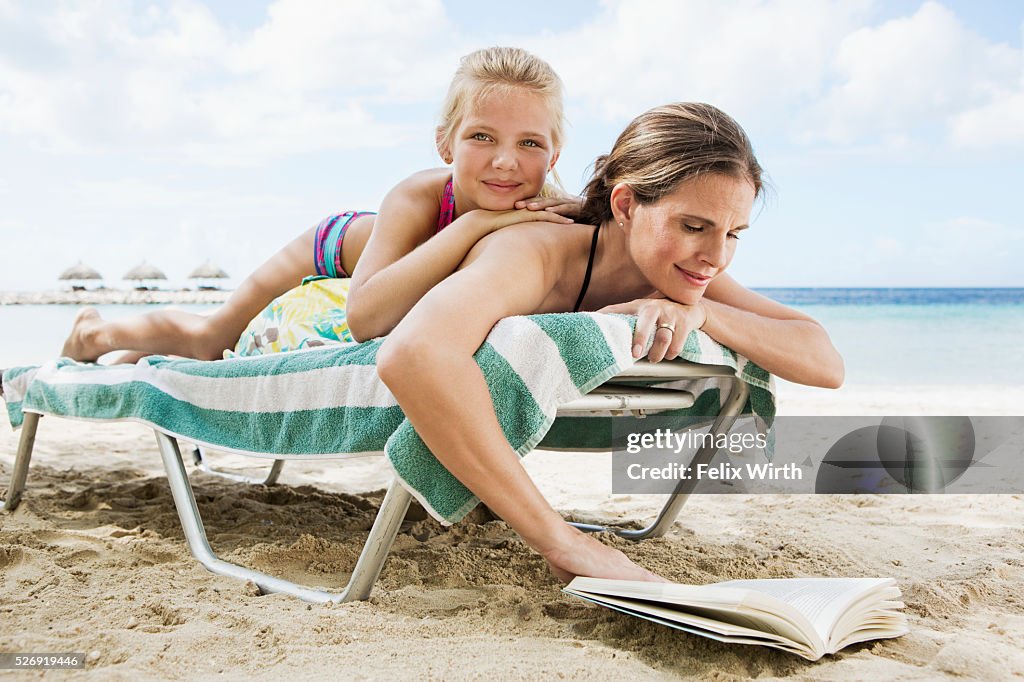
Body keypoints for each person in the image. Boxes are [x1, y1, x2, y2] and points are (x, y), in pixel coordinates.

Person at [376, 102, 844, 583]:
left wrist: (701, 313)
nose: (716, 257)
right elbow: (413, 353)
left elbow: (825, 362)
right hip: (379, 255)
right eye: (693, 226)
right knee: (351, 240)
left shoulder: (680, 272)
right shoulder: (532, 253)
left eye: (733, 234)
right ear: (624, 205)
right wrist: (563, 543)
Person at [60, 46, 578, 362]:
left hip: (400, 275)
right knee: (211, 338)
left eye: (529, 143)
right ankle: (95, 333)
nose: (506, 162)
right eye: (482, 137)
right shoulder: (417, 197)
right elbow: (365, 316)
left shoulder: (553, 216)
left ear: (554, 152)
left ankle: (140, 354)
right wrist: (471, 228)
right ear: (445, 143)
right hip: (333, 248)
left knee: (197, 344)